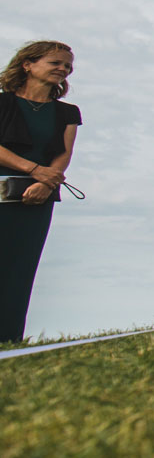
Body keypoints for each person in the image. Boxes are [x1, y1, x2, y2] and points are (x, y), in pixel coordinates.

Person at [0, 41, 80, 342]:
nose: (63, 69)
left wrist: (46, 183)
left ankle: (7, 341)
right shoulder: (2, 103)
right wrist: (35, 170)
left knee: (20, 269)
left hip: (39, 197)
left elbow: (64, 153)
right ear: (28, 64)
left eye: (68, 66)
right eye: (55, 62)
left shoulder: (68, 112)